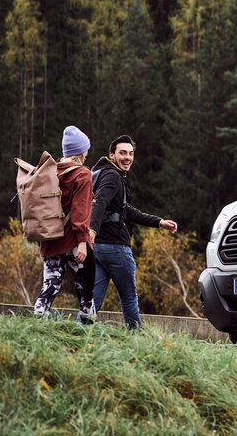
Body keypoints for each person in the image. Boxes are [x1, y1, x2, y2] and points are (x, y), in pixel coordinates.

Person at [90, 134, 178, 328]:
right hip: (116, 248)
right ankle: (136, 339)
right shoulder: (113, 177)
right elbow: (100, 203)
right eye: (122, 153)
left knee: (92, 301)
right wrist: (92, 230)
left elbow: (126, 210)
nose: (127, 157)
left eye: (130, 153)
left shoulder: (101, 173)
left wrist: (159, 222)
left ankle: (78, 334)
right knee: (129, 298)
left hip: (98, 250)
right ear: (111, 155)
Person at [33, 125, 96, 323]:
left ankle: (39, 316)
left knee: (51, 283)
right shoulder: (82, 174)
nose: (87, 153)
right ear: (81, 151)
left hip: (50, 237)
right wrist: (83, 241)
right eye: (86, 149)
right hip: (72, 241)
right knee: (84, 286)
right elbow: (80, 210)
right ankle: (88, 326)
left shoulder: (49, 171)